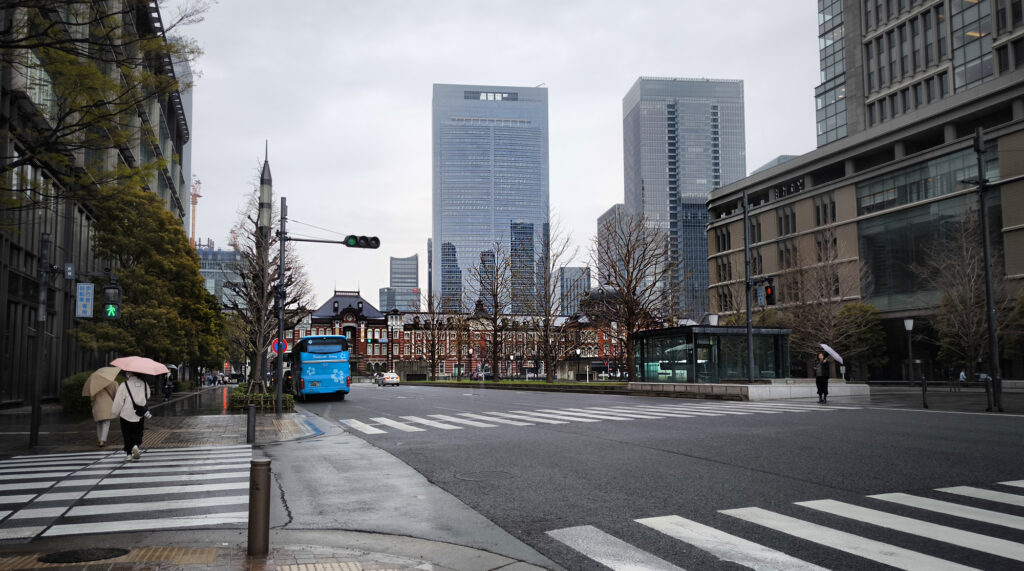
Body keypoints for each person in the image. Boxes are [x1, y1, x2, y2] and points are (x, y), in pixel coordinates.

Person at [112, 372, 151, 461]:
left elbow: (118, 401)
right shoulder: (144, 383)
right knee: (138, 432)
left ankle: (129, 454)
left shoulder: (124, 385)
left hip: (126, 414)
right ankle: (136, 446)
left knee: (127, 434)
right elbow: (148, 396)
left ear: (129, 374)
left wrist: (114, 413)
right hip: (140, 414)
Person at [89, 380, 117, 448]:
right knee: (106, 423)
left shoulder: (94, 383)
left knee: (99, 423)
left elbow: (92, 397)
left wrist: (93, 404)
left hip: (97, 405)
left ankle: (99, 439)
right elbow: (116, 393)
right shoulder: (113, 383)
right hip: (107, 404)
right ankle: (103, 440)